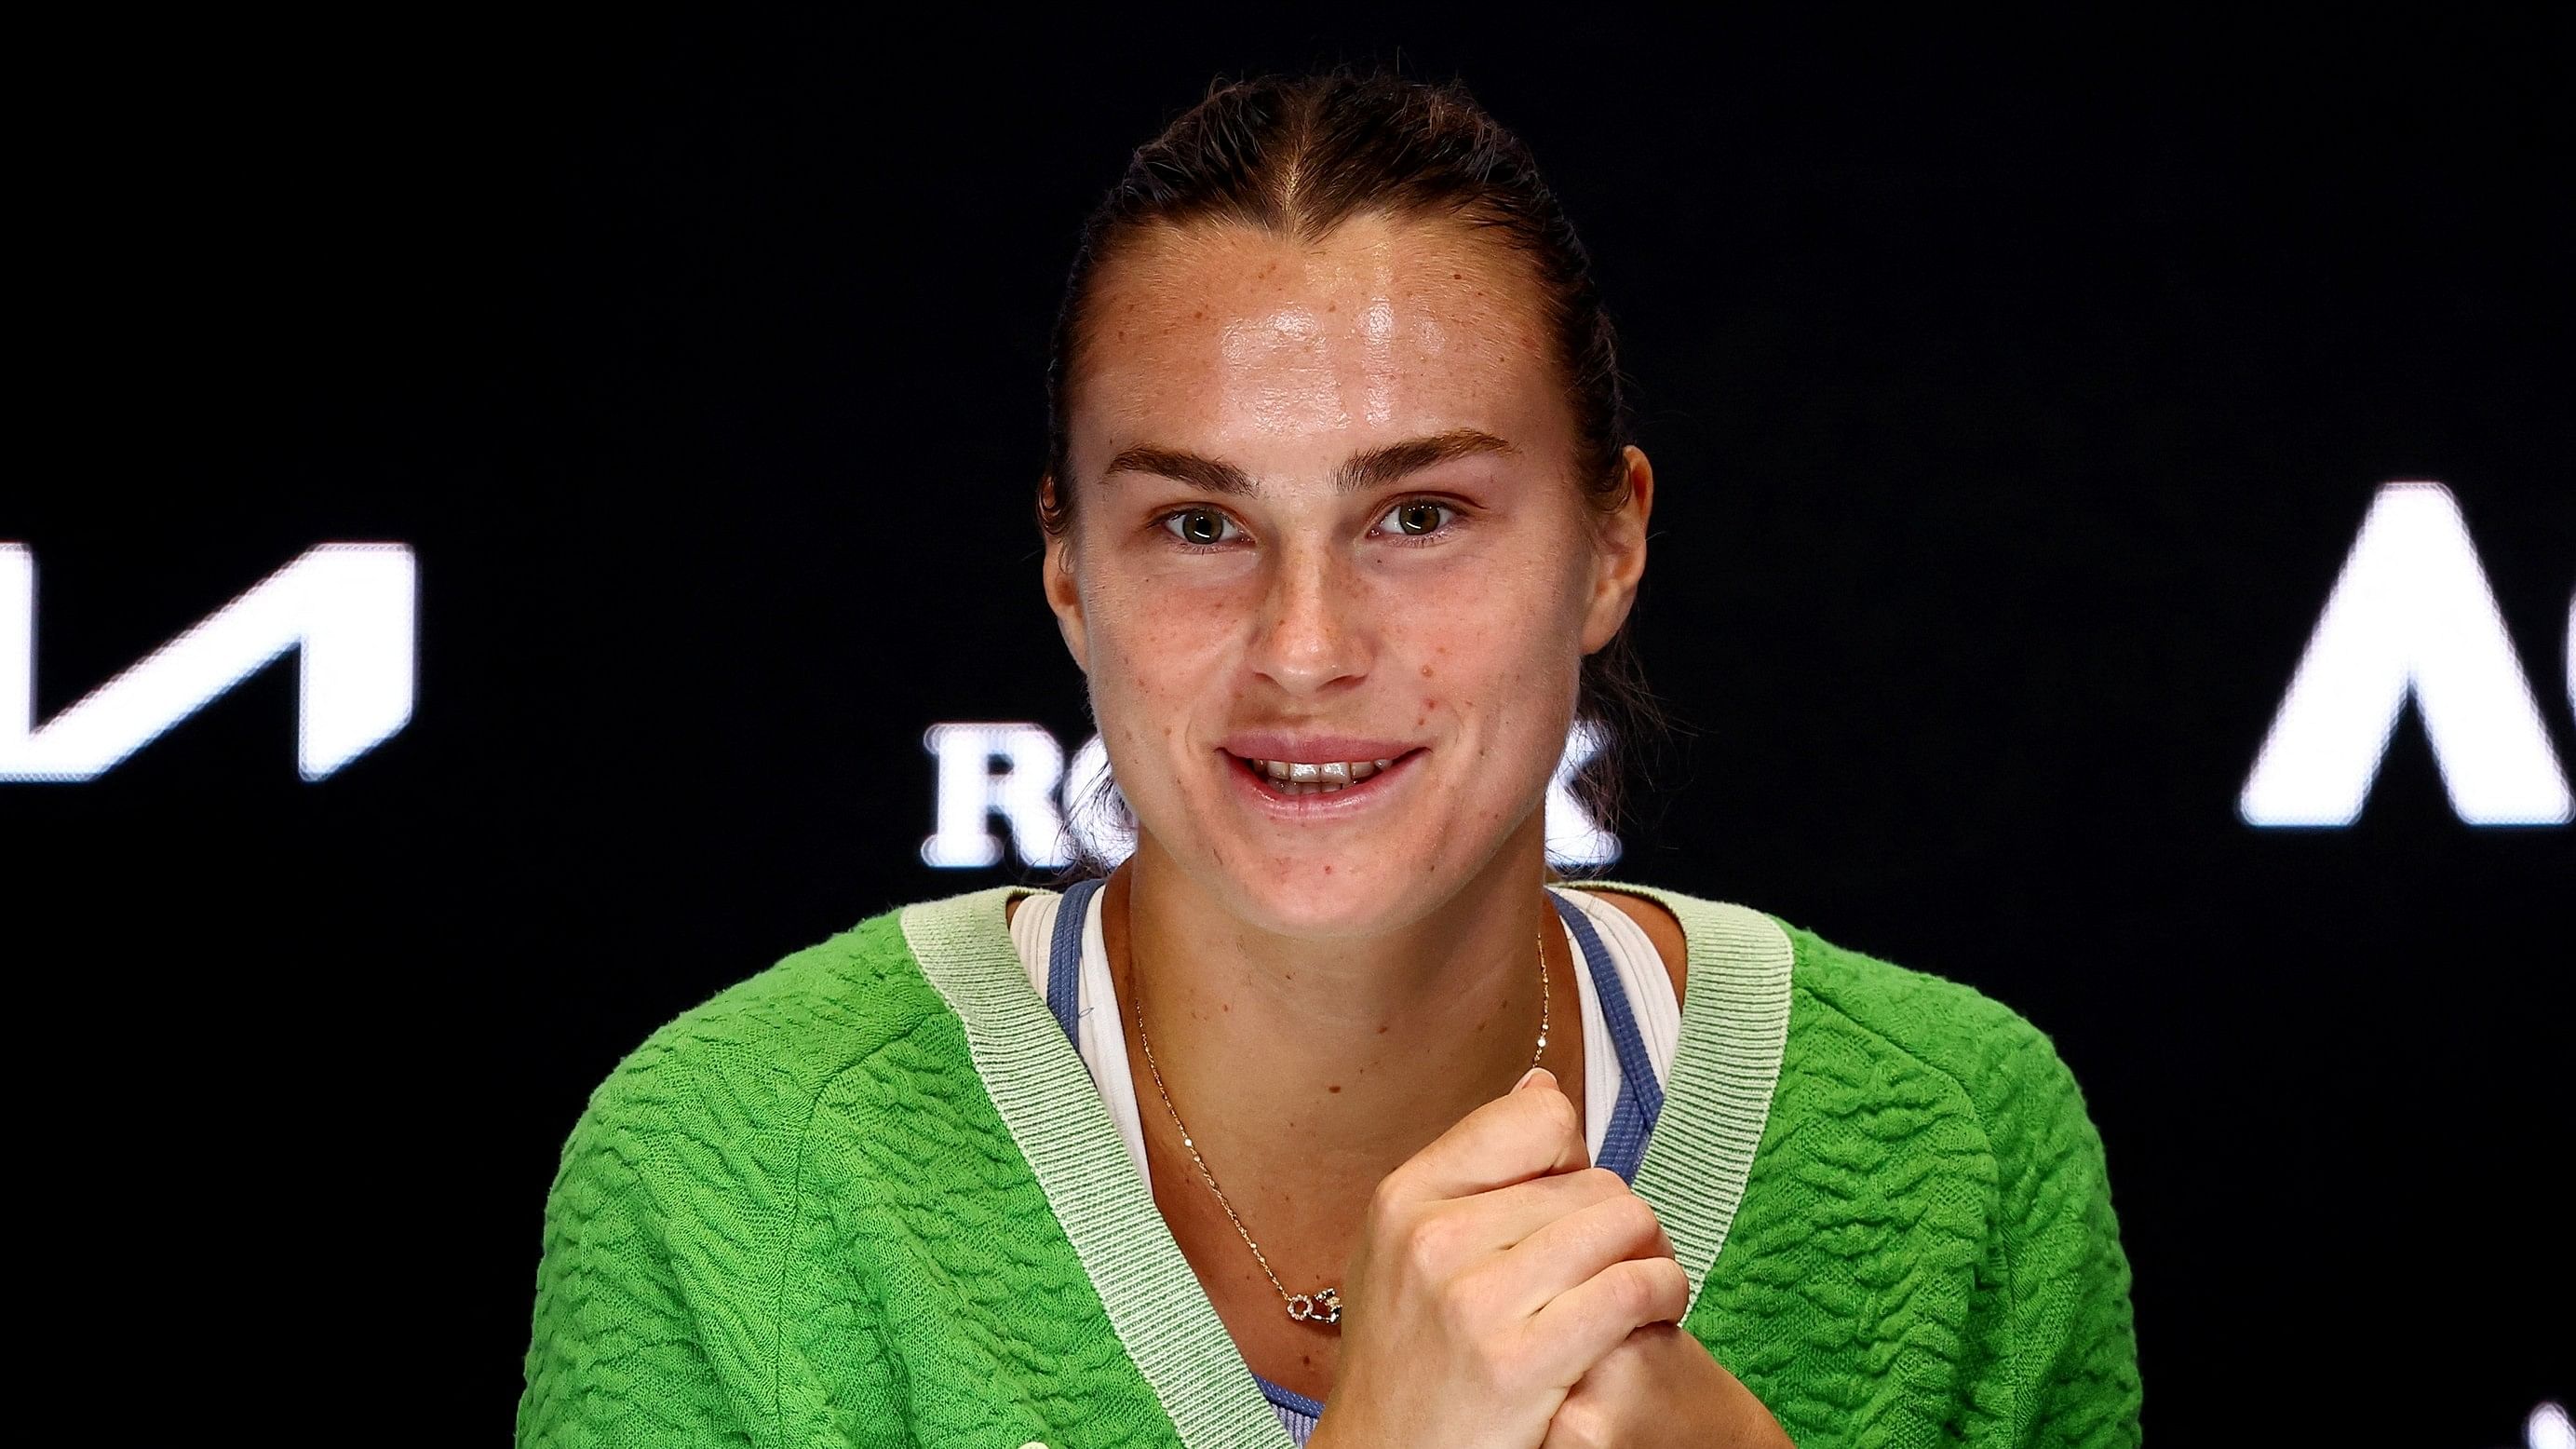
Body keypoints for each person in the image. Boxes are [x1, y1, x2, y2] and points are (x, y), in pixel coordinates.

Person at [518, 69, 2141, 1448]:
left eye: (1419, 515)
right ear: (1071, 571)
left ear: (1609, 544)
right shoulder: (740, 1165)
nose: (1304, 646)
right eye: (1199, 523)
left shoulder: (1957, 1139)